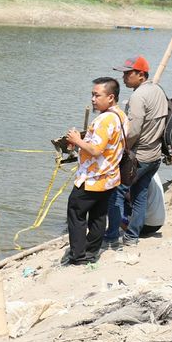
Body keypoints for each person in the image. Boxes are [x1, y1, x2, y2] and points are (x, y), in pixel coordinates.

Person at [105, 55, 168, 247]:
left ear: (141, 75)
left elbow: (133, 131)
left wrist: (118, 149)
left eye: (127, 74)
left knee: (116, 194)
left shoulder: (138, 96)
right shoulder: (158, 90)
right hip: (154, 155)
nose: (124, 78)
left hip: (138, 157)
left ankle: (111, 236)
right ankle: (132, 237)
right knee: (140, 196)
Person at [64, 77, 126, 265]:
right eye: (92, 95)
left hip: (93, 178)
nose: (93, 99)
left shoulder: (104, 120)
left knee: (76, 213)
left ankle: (78, 256)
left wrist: (77, 140)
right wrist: (83, 141)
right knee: (98, 217)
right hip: (110, 177)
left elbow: (95, 150)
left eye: (97, 95)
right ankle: (91, 252)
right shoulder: (120, 116)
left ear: (110, 97)